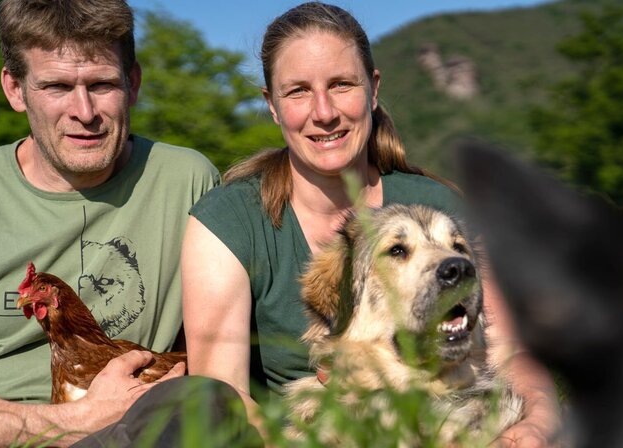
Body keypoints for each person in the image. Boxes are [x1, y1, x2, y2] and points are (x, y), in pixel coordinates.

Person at [181, 2, 562, 446]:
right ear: (272, 106)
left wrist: (537, 422)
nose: (323, 111)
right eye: (298, 91)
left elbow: (508, 350)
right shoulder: (227, 222)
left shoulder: (438, 206)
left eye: (342, 84)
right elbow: (222, 397)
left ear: (373, 89)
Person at [0, 0, 220, 445]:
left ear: (134, 82)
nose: (84, 112)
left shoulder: (187, 181)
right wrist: (75, 422)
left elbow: (223, 351)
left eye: (102, 84)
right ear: (14, 89)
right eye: (57, 86)